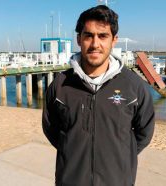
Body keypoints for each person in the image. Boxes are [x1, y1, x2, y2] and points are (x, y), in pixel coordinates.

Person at [42, 5, 154, 186]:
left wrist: (120, 158)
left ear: (114, 40)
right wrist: (73, 152)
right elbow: (52, 129)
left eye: (103, 36)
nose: (95, 44)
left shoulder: (133, 86)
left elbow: (144, 132)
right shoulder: (60, 85)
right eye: (88, 36)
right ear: (79, 39)